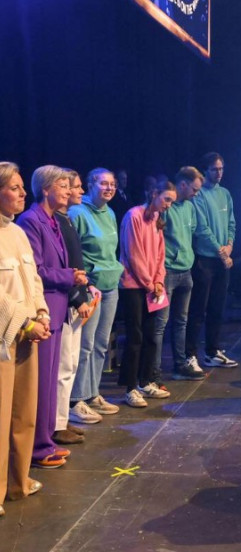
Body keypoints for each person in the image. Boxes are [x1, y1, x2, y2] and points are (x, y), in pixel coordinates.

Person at [17, 166, 86, 467]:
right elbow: (37, 270)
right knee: (41, 382)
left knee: (48, 380)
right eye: (62, 185)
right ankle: (36, 446)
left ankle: (44, 440)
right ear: (45, 189)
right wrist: (69, 276)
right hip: (43, 308)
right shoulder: (32, 221)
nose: (69, 190)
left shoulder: (54, 221)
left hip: (57, 309)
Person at [0, 162, 47, 516]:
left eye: (21, 187)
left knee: (23, 413)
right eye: (15, 187)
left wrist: (41, 313)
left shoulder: (17, 232)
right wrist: (23, 322)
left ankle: (18, 481)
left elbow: (33, 279)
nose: (22, 193)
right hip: (5, 335)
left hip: (28, 331)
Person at [67, 168, 123, 423]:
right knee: (85, 345)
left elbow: (111, 251)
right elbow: (73, 252)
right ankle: (76, 399)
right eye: (103, 183)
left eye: (112, 184)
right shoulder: (78, 212)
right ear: (90, 185)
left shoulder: (110, 212)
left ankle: (93, 393)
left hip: (111, 285)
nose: (109, 188)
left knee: (101, 344)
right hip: (91, 286)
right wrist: (85, 283)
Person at [118, 181, 176, 408]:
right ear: (154, 194)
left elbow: (161, 255)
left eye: (171, 201)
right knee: (136, 337)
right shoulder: (133, 216)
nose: (169, 205)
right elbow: (134, 255)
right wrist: (150, 283)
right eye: (166, 199)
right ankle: (130, 387)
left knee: (152, 335)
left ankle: (145, 381)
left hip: (153, 286)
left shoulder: (156, 221)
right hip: (134, 286)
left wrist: (159, 280)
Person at [53, 170, 94, 444]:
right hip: (66, 300)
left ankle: (62, 420)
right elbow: (62, 266)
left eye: (75, 187)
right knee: (63, 366)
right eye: (69, 187)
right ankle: (56, 424)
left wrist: (84, 290)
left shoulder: (66, 220)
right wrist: (77, 297)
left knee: (71, 363)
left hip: (75, 295)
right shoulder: (55, 221)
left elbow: (75, 262)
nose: (74, 192)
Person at [186, 153, 239, 369]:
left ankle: (212, 351)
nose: (219, 173)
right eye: (214, 169)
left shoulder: (225, 194)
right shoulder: (199, 195)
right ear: (205, 171)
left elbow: (232, 224)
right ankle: (190, 354)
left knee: (218, 306)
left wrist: (229, 245)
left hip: (222, 259)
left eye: (221, 168)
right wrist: (221, 251)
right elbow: (202, 228)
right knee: (199, 308)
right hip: (205, 259)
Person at [154, 167, 206, 381]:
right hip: (167, 272)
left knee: (181, 321)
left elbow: (191, 233)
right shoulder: (165, 206)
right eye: (194, 189)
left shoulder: (190, 207)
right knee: (160, 323)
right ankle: (153, 371)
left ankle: (180, 364)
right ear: (183, 184)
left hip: (186, 271)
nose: (196, 193)